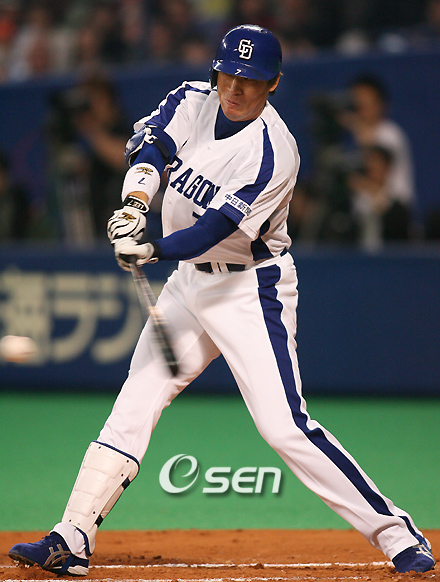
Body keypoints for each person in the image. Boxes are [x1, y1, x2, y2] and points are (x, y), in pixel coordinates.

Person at [8, 24, 435, 577]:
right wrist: (135, 204)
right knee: (135, 402)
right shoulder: (192, 99)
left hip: (250, 289)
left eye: (250, 79)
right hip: (189, 283)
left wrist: (152, 248)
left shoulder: (274, 152)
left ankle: (397, 534)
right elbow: (152, 146)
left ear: (273, 83)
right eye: (229, 73)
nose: (235, 88)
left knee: (284, 425)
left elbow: (215, 229)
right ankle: (72, 536)